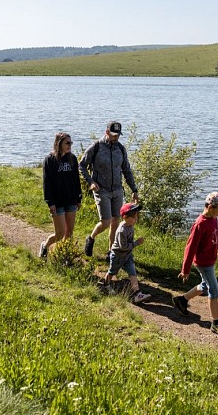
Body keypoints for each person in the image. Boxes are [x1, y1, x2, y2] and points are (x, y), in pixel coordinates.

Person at [172, 191, 218, 336]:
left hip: (211, 260)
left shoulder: (213, 220)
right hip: (203, 263)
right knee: (214, 290)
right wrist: (185, 269)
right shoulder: (200, 224)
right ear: (211, 207)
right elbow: (190, 247)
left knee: (205, 285)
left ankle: (182, 300)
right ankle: (216, 323)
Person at [79, 121, 139, 257]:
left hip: (117, 190)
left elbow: (127, 170)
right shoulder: (97, 146)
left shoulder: (121, 149)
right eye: (113, 135)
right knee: (105, 221)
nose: (116, 138)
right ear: (107, 132)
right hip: (102, 190)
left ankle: (111, 251)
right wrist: (91, 182)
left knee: (116, 221)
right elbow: (81, 165)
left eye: (118, 135)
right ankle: (91, 238)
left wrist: (134, 190)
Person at [39, 132, 82, 258]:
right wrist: (50, 202)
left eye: (71, 143)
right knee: (60, 233)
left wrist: (78, 198)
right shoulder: (50, 160)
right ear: (59, 144)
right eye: (67, 143)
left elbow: (76, 180)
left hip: (71, 200)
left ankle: (63, 256)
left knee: (69, 233)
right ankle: (45, 246)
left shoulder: (72, 158)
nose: (70, 145)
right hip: (57, 202)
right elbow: (47, 182)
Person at [101, 202, 151, 304]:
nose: (135, 219)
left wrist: (132, 246)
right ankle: (106, 285)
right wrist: (136, 243)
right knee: (111, 272)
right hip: (118, 256)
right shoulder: (121, 230)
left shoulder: (130, 226)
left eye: (136, 216)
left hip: (127, 255)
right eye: (133, 217)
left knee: (132, 273)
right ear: (125, 217)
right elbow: (123, 247)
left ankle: (137, 294)